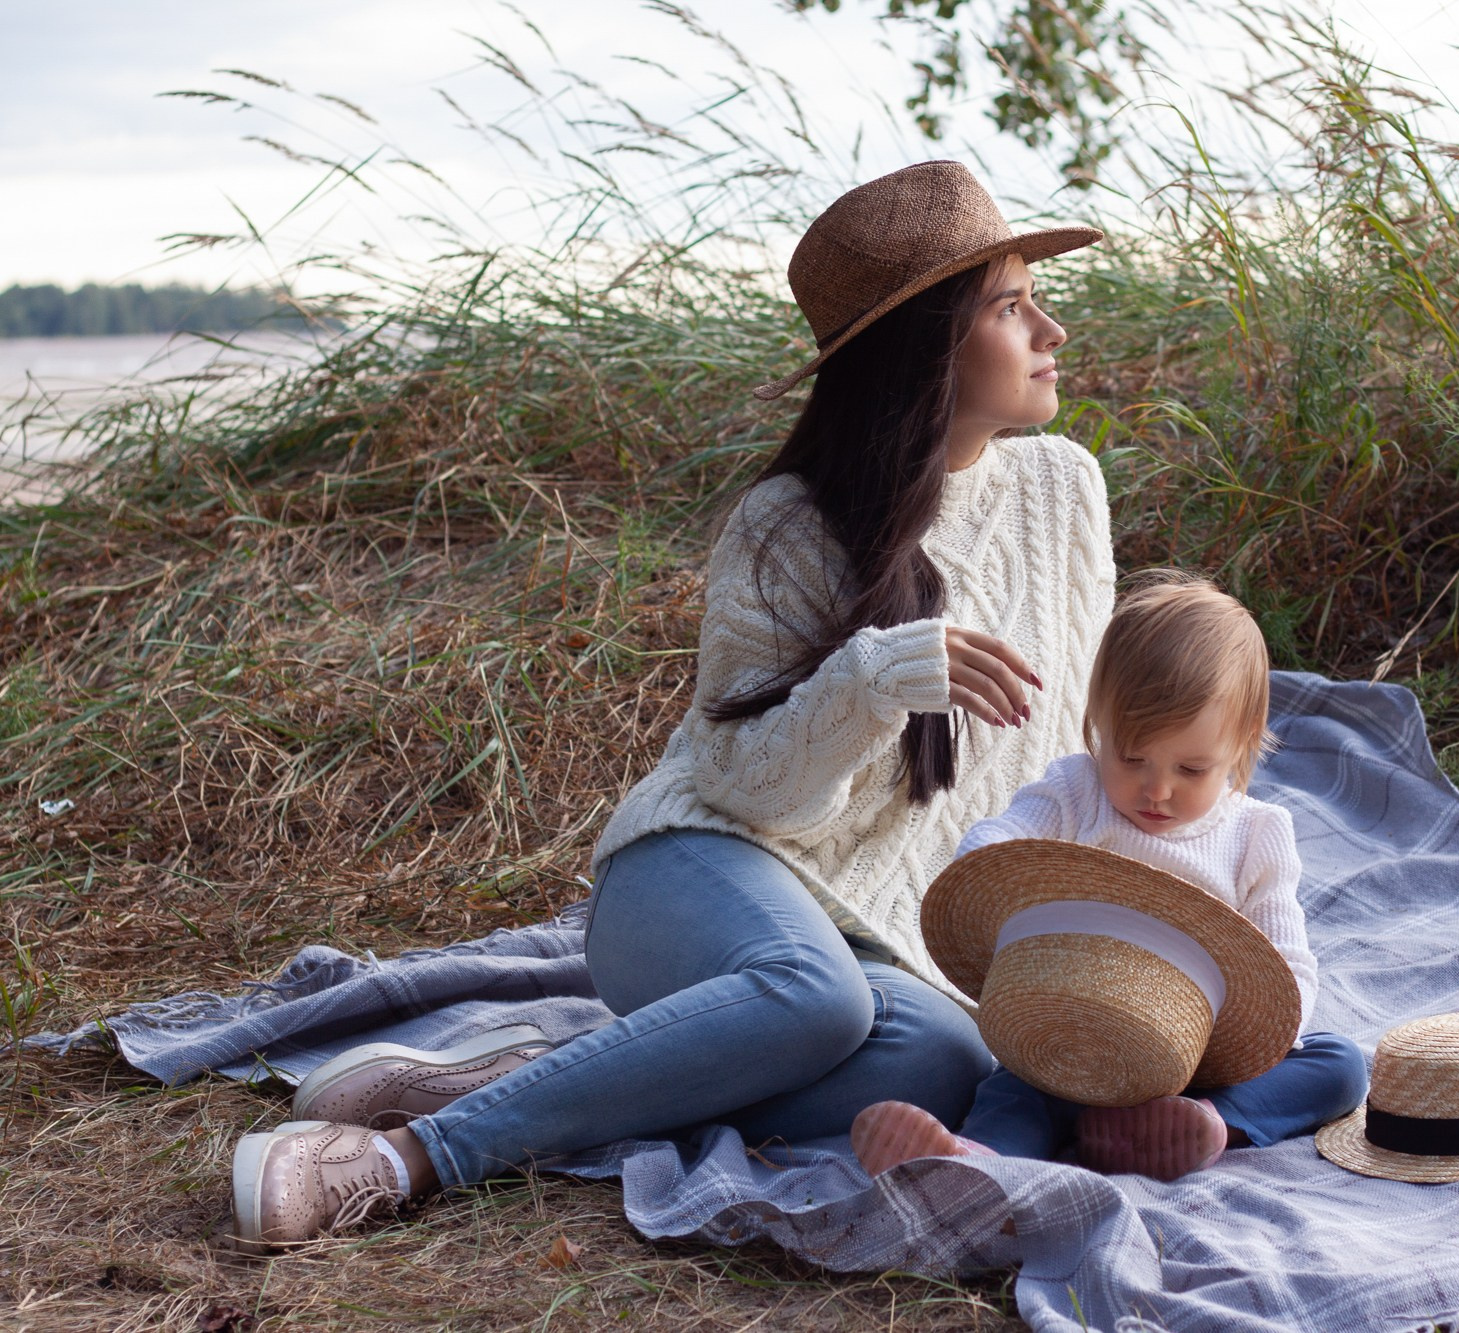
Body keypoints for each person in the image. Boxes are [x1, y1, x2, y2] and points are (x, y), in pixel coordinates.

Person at [228, 160, 1117, 1246]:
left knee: (944, 1063)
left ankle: (564, 1073)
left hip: (888, 934)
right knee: (815, 998)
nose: (1052, 330)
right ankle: (403, 1156)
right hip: (701, 863)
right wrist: (873, 677)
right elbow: (750, 790)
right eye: (1012, 304)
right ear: (926, 343)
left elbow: (1065, 742)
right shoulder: (786, 525)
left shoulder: (1063, 490)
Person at [850, 576, 1366, 1181]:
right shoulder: (1077, 790)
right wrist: (992, 879)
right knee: (1017, 1085)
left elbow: (1290, 965)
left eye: (1191, 768)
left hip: (1197, 1053)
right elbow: (996, 846)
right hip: (1074, 1035)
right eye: (1132, 757)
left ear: (1243, 746)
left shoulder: (1256, 834)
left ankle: (1205, 1123)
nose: (1157, 789)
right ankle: (980, 1162)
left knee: (1341, 1063)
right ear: (1098, 722)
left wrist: (1254, 1042)